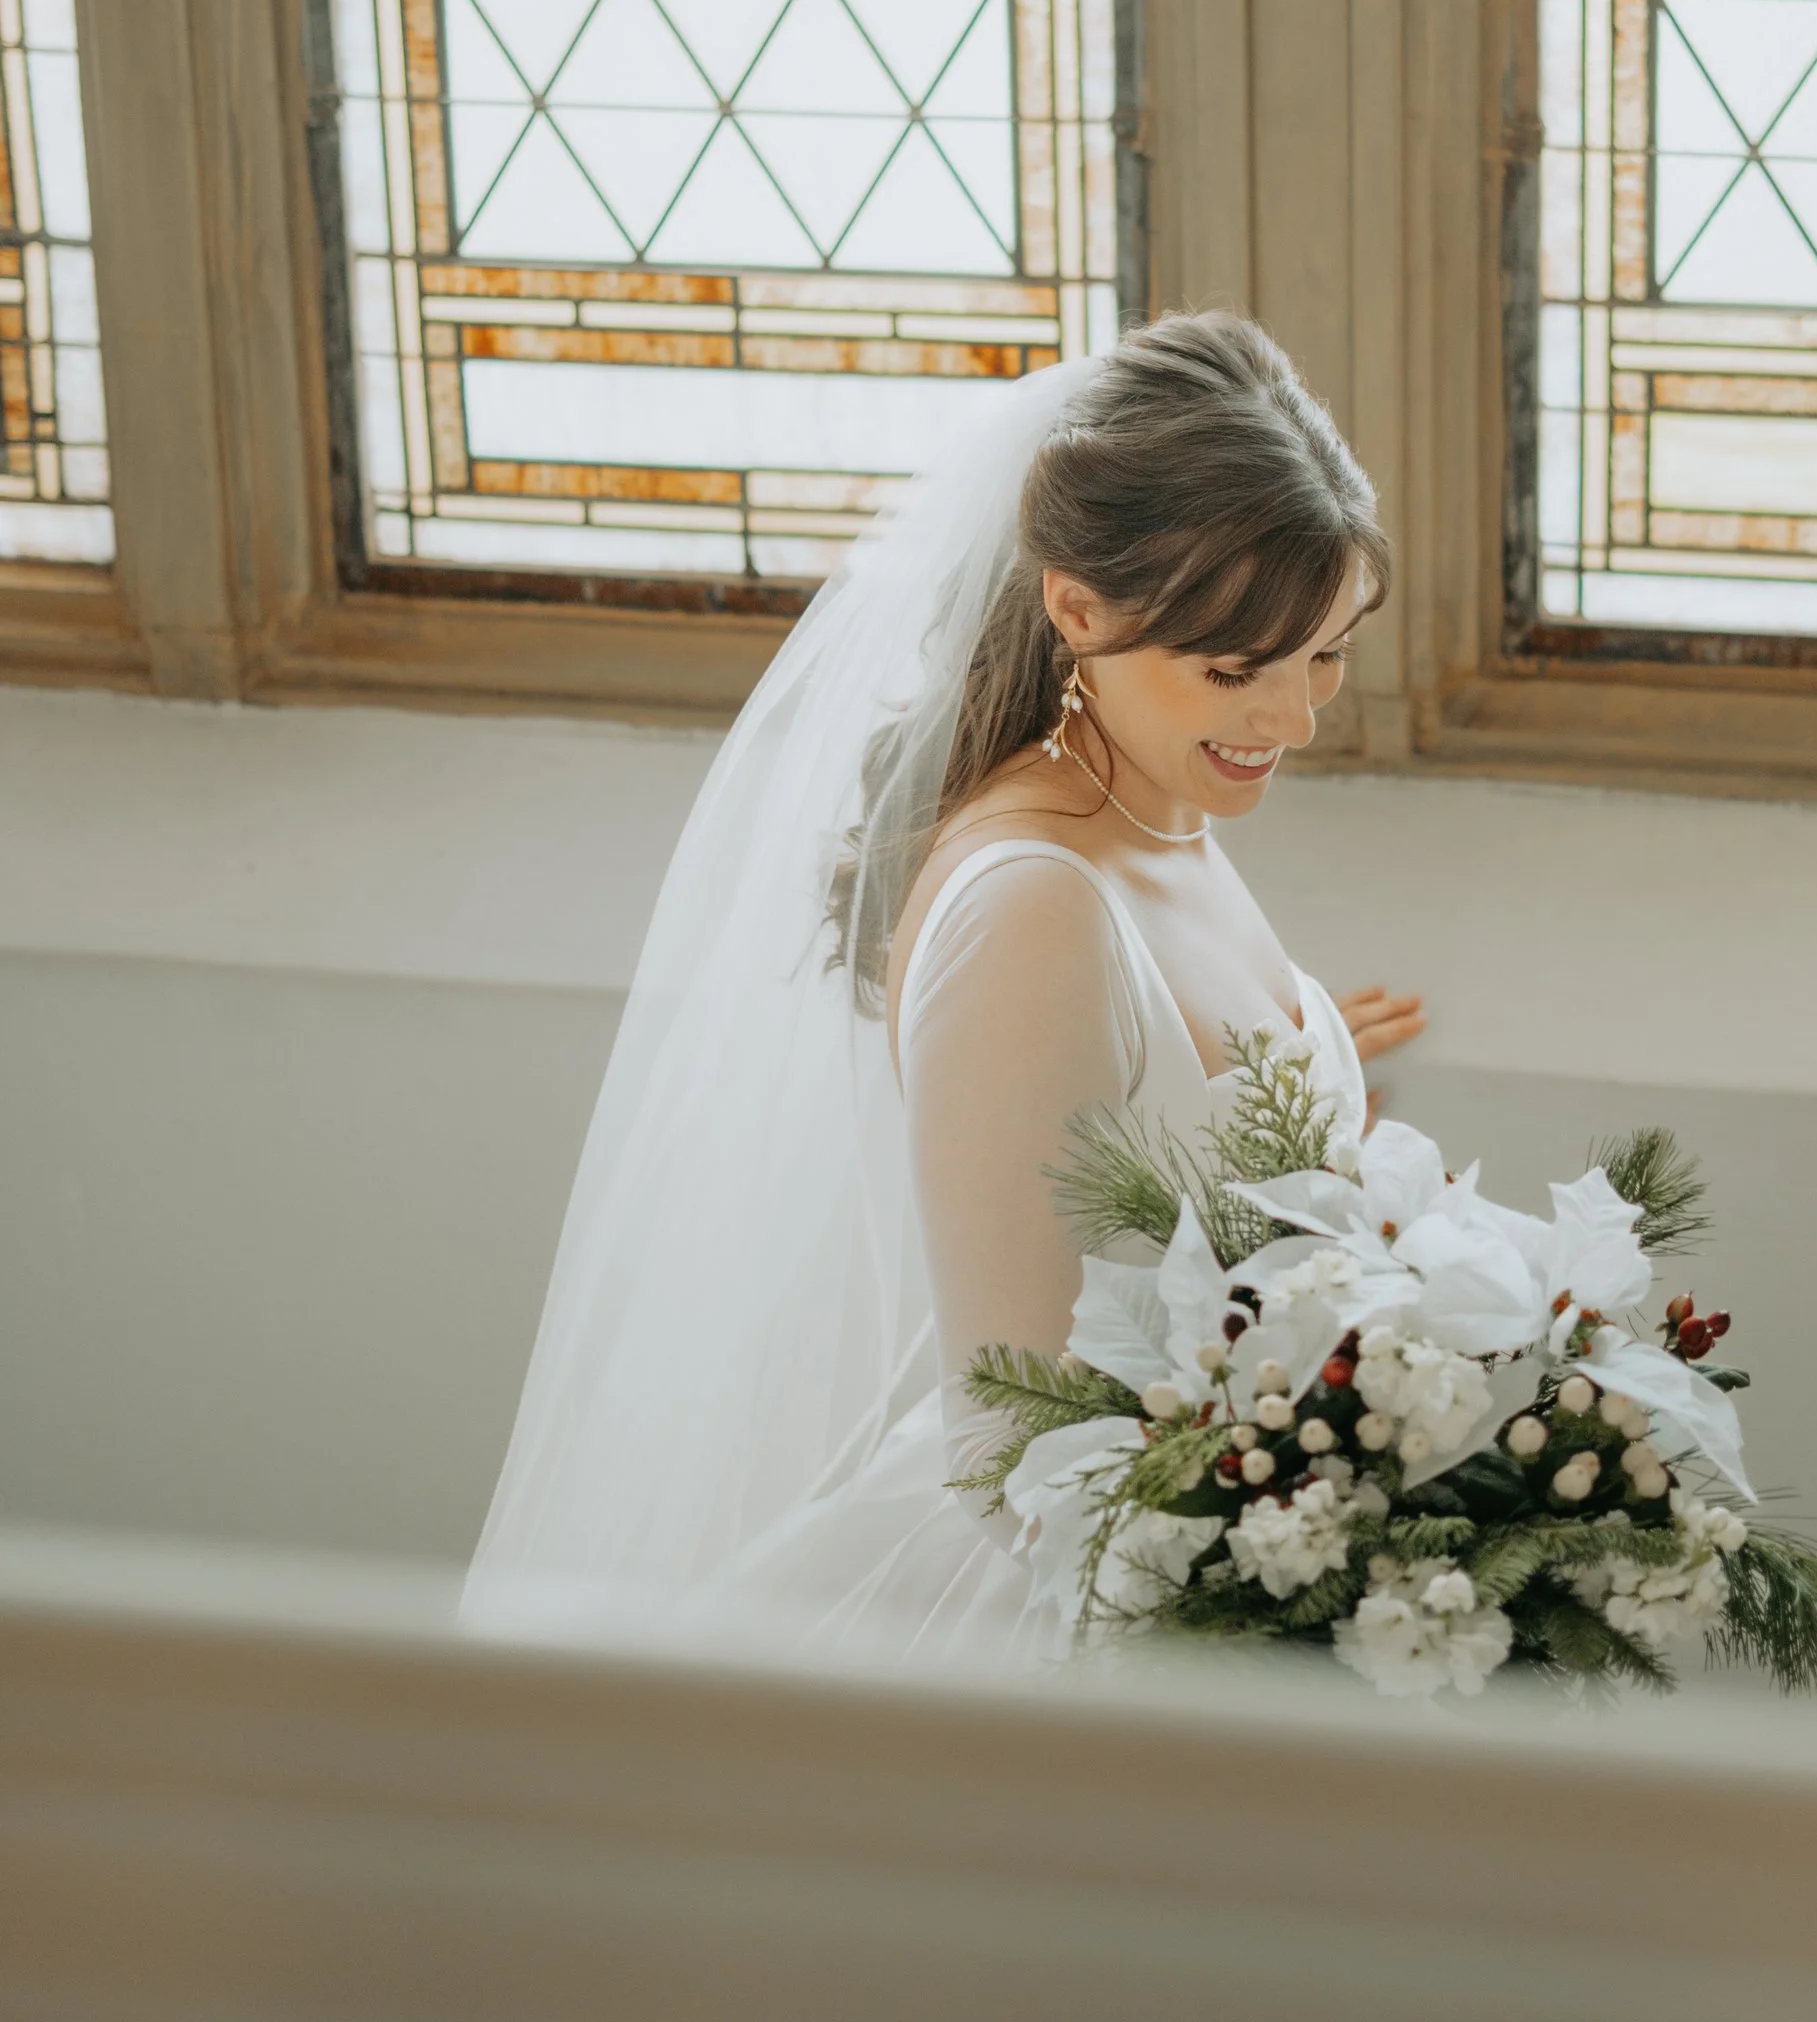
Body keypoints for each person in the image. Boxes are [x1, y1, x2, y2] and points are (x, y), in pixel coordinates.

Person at [469, 311, 1425, 1659]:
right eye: (1236, 670)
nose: (1294, 716)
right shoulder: (1032, 908)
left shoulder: (1162, 804)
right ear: (1077, 607)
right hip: (1088, 1620)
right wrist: (1322, 1588)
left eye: (1326, 651)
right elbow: (1013, 1445)